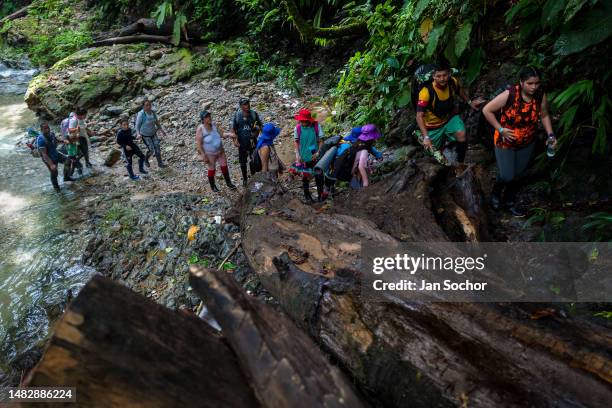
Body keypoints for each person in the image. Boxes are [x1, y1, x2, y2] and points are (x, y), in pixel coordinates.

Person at [482, 66, 556, 217]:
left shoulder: (540, 95)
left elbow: (544, 115)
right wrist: (500, 129)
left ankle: (509, 202)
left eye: (537, 83)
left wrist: (551, 135)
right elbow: (486, 110)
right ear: (521, 83)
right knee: (507, 175)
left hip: (527, 141)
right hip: (505, 140)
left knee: (518, 174)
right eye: (530, 83)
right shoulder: (509, 95)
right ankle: (496, 193)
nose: (534, 87)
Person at [416, 62, 484, 164]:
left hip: (449, 119)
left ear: (449, 74)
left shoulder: (453, 82)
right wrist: (426, 137)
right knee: (433, 156)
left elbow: (459, 91)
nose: (442, 79)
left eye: (444, 75)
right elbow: (419, 116)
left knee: (461, 134)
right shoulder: (426, 92)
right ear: (433, 76)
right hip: (433, 126)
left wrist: (470, 102)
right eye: (438, 76)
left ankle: (460, 164)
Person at [196, 110, 237, 192]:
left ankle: (229, 183)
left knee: (224, 166)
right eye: (206, 117)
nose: (209, 118)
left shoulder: (214, 125)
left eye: (209, 116)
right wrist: (203, 155)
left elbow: (222, 134)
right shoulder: (201, 128)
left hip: (220, 151)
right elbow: (199, 144)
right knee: (212, 169)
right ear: (203, 119)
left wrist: (229, 134)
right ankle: (212, 186)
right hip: (210, 154)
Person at [293, 108, 324, 202]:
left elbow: (321, 140)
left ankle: (320, 195)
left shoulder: (316, 126)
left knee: (319, 176)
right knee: (305, 177)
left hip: (315, 155)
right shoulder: (297, 128)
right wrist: (297, 156)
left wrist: (318, 152)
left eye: (304, 121)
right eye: (301, 121)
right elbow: (296, 142)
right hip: (303, 156)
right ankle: (307, 196)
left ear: (308, 120)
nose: (302, 123)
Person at [231, 98, 262, 186]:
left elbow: (260, 125)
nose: (247, 105)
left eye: (248, 103)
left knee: (254, 160)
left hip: (253, 142)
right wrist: (234, 141)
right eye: (244, 104)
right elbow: (233, 129)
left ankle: (254, 177)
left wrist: (257, 132)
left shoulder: (253, 114)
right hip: (242, 143)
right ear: (241, 106)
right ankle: (245, 179)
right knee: (242, 162)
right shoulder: (237, 115)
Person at [36, 122, 70, 190]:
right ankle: (56, 188)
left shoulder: (51, 134)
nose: (47, 130)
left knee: (68, 161)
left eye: (48, 128)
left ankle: (66, 178)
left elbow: (56, 141)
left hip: (55, 153)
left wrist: (63, 141)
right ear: (41, 130)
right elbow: (44, 154)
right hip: (48, 159)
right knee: (54, 172)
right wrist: (51, 164)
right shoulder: (41, 140)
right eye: (45, 128)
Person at [135, 100, 168, 168]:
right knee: (151, 150)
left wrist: (161, 130)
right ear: (143, 106)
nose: (149, 106)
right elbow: (137, 126)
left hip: (153, 133)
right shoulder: (141, 114)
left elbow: (156, 122)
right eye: (147, 105)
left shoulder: (152, 112)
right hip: (145, 135)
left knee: (157, 148)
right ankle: (146, 160)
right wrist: (138, 134)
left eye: (150, 105)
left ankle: (160, 163)